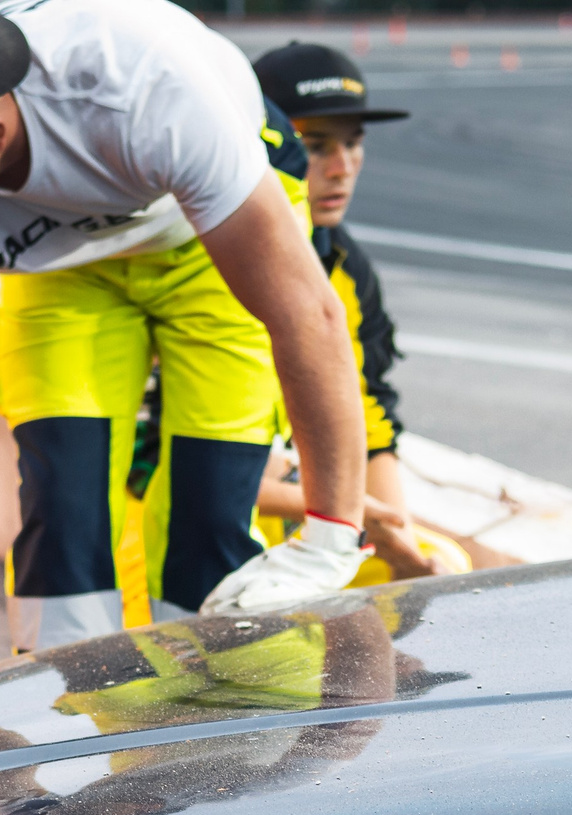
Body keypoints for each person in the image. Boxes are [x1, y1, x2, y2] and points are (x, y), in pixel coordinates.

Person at [0, 0, 370, 671]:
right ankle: (74, 740)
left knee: (208, 509)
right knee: (64, 509)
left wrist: (331, 536)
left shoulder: (141, 91)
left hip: (205, 235)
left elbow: (306, 316)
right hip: (64, 265)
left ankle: (225, 740)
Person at [248, 40, 446, 580]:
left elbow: (371, 414)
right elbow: (161, 463)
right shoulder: (207, 260)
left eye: (353, 144)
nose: (341, 168)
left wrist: (398, 539)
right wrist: (349, 514)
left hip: (304, 503)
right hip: (212, 512)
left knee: (439, 568)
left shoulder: (343, 260)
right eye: (314, 146)